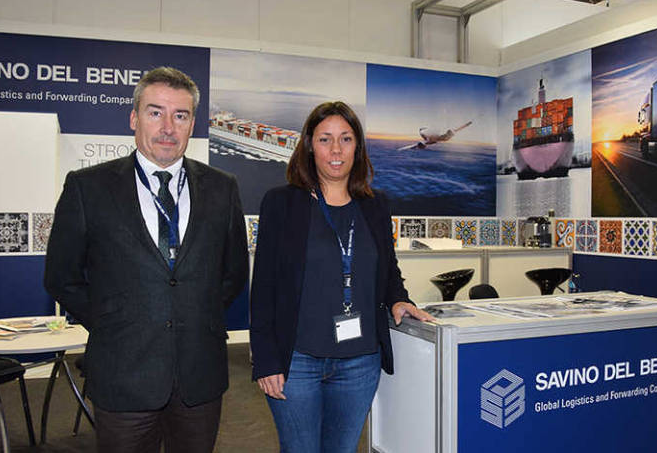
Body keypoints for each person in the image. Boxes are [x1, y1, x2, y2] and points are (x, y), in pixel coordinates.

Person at [44, 67, 248, 453]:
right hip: (124, 372)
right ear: (134, 118)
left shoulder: (223, 188)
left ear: (192, 125)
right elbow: (62, 278)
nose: (168, 127)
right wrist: (114, 320)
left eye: (180, 115)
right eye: (156, 112)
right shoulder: (88, 188)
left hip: (199, 377)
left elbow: (234, 272)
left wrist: (192, 313)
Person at [250, 101, 434, 453]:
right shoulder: (281, 203)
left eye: (346, 139)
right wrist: (265, 359)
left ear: (358, 147)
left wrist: (399, 297)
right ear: (308, 146)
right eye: (325, 139)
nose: (336, 150)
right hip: (297, 362)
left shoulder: (375, 204)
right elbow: (264, 288)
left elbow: (388, 267)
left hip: (360, 363)